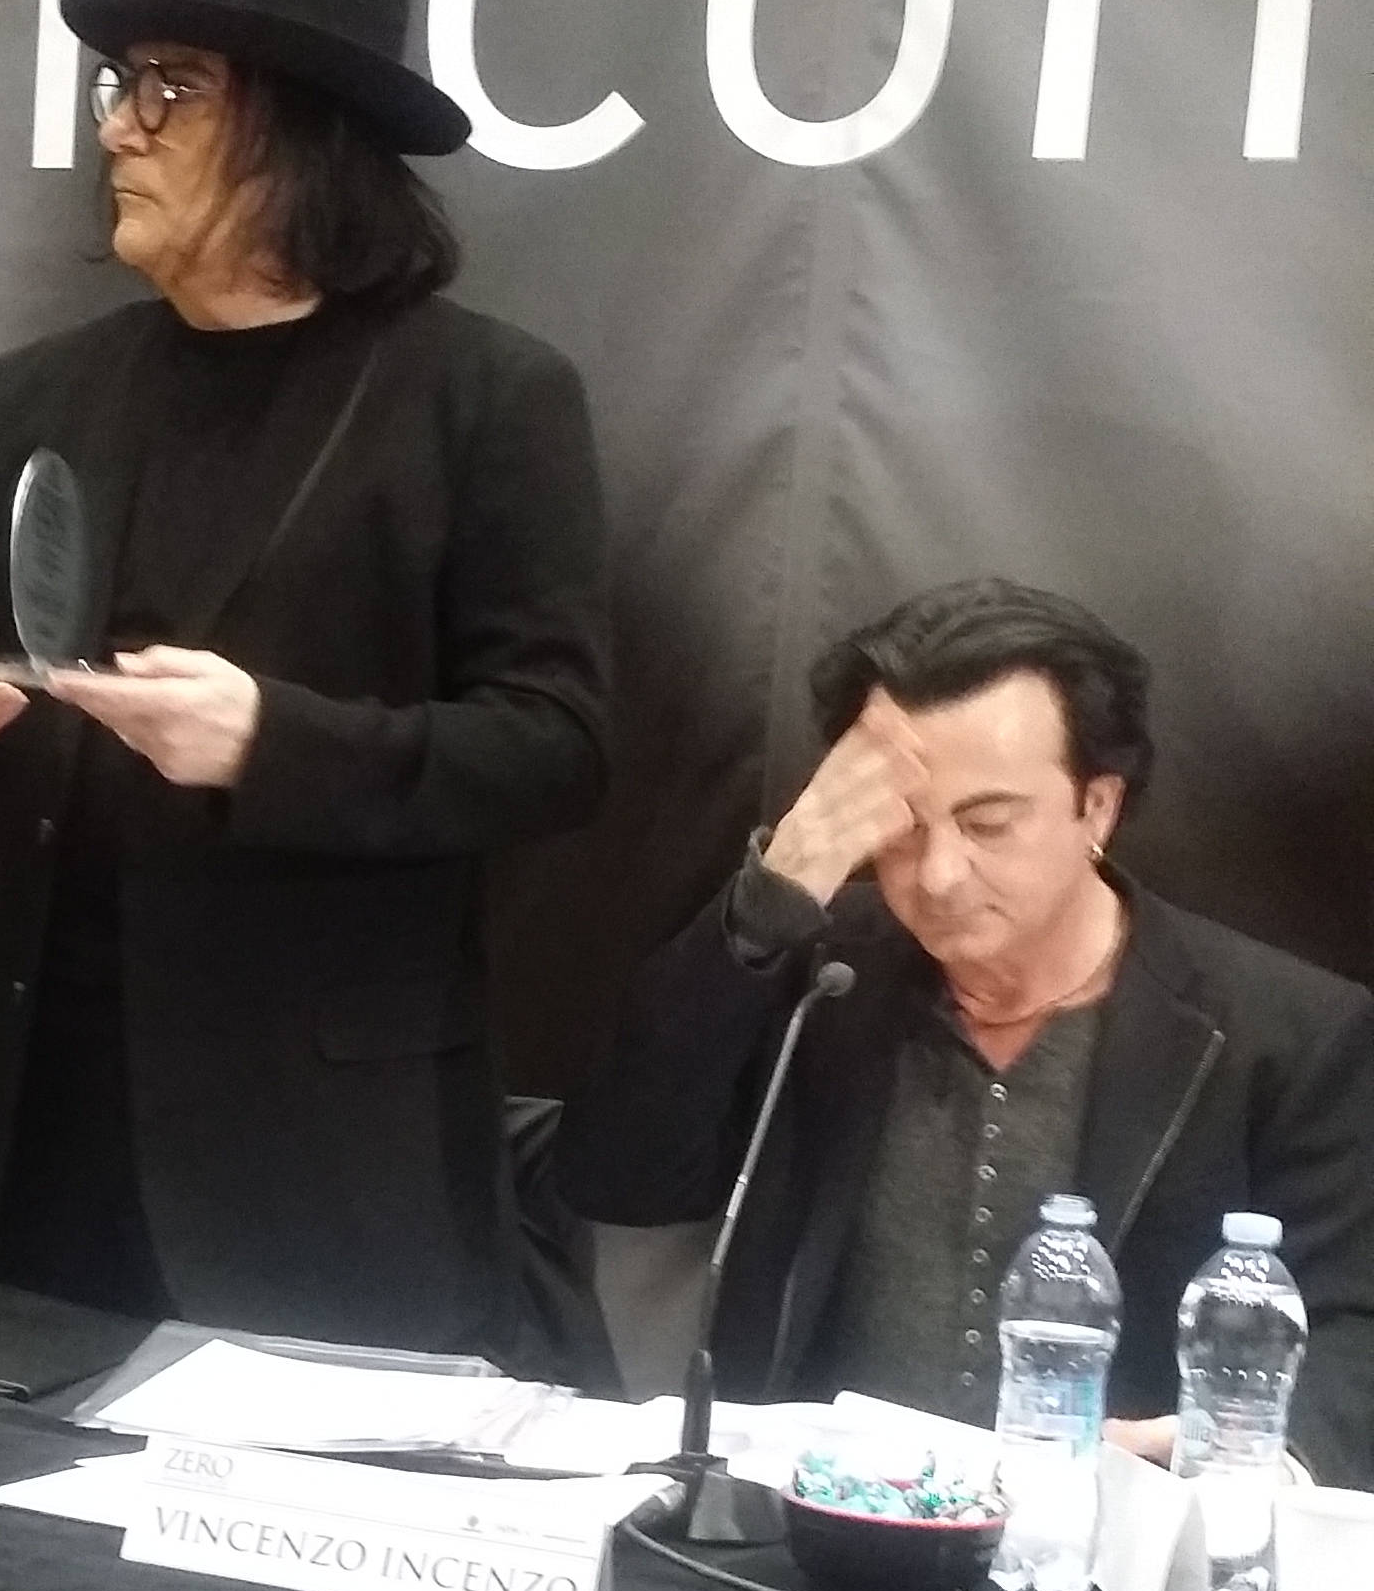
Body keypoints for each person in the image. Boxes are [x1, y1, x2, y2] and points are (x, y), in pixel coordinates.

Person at [0, 0, 612, 1358]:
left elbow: (555, 745)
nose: (117, 128)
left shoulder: (481, 400)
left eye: (171, 89)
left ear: (303, 126)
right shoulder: (44, 391)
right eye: (120, 85)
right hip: (51, 1130)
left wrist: (272, 742)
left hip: (321, 1167)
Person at [556, 577, 1374, 1478]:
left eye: (988, 824)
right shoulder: (818, 975)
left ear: (1097, 807)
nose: (940, 874)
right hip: (810, 1517)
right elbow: (620, 1177)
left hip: (1112, 1534)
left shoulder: (1287, 1038)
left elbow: (1354, 1337)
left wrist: (1242, 1454)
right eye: (904, 829)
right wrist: (767, 903)